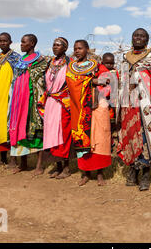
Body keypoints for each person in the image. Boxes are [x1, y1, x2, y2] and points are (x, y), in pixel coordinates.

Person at [117, 28, 151, 191]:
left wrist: (139, 80)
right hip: (128, 104)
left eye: (142, 36)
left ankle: (145, 175)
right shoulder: (125, 58)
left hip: (146, 105)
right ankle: (133, 170)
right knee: (129, 135)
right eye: (136, 35)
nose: (138, 38)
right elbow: (120, 79)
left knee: (145, 138)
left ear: (147, 40)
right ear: (132, 38)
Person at [66, 40, 112, 186]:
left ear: (87, 49)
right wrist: (91, 81)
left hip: (97, 106)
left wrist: (97, 83)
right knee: (83, 139)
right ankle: (85, 174)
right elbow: (70, 83)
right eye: (75, 49)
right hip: (79, 108)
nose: (77, 51)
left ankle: (99, 174)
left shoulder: (96, 65)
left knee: (98, 139)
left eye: (80, 48)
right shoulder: (71, 67)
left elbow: (108, 79)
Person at [8, 34, 48, 174]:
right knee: (20, 129)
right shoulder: (20, 59)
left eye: (23, 42)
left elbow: (42, 80)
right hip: (19, 100)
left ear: (31, 44)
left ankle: (39, 165)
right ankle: (23, 163)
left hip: (33, 100)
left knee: (37, 132)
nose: (21, 45)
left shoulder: (41, 61)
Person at [36, 37, 72, 179]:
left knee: (63, 134)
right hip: (50, 102)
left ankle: (67, 168)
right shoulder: (50, 63)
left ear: (65, 48)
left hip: (63, 102)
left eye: (59, 45)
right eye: (54, 45)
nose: (55, 47)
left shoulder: (70, 63)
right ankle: (57, 166)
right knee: (51, 134)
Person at [0, 32, 21, 167]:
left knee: (9, 126)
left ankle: (13, 159)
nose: (2, 43)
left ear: (10, 42)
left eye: (5, 41)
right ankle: (2, 158)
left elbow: (18, 78)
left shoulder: (16, 58)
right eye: (0, 41)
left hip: (10, 97)